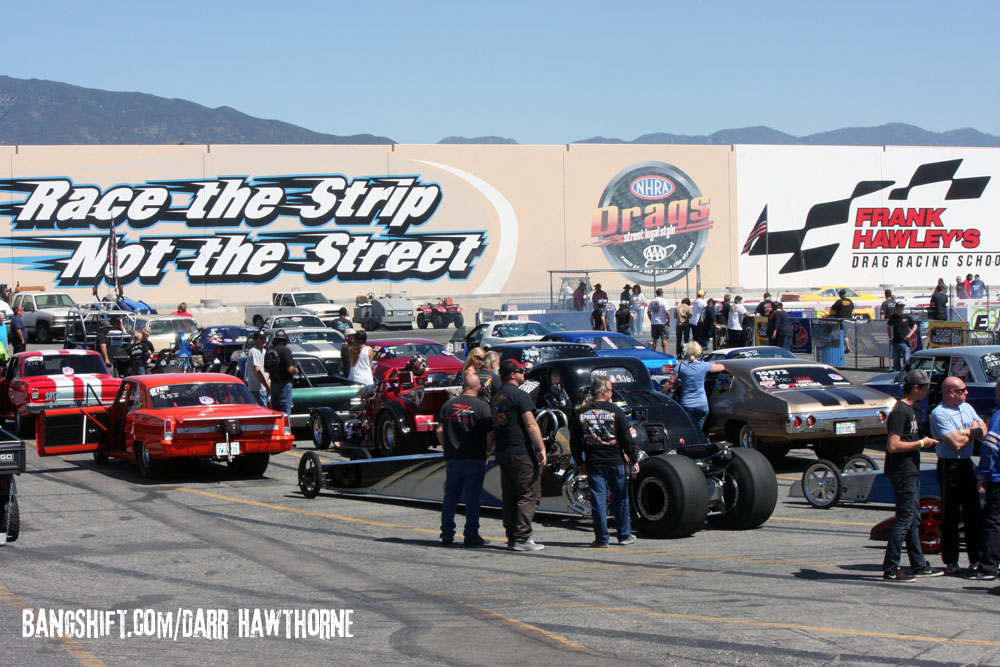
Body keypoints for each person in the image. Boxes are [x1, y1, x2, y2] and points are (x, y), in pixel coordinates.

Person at [882, 369, 943, 582]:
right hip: (902, 471)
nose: (927, 391)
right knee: (904, 519)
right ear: (916, 388)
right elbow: (893, 445)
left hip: (911, 470)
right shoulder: (901, 411)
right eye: (925, 387)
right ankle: (891, 568)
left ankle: (918, 564)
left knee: (914, 519)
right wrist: (921, 443)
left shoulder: (911, 409)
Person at [570, 377, 639, 547]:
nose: (612, 393)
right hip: (615, 461)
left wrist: (580, 461)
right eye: (610, 390)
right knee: (621, 499)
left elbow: (575, 441)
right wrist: (634, 459)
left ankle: (602, 538)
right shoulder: (616, 411)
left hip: (594, 462)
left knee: (598, 501)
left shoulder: (581, 412)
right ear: (604, 392)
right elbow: (626, 438)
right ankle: (624, 535)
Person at [930, 376, 987, 576]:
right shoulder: (939, 413)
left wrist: (964, 433)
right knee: (950, 513)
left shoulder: (967, 407)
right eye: (962, 390)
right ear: (951, 393)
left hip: (966, 462)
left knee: (973, 512)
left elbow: (983, 429)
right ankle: (951, 560)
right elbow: (954, 443)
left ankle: (976, 557)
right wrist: (971, 432)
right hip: (949, 464)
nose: (966, 393)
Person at [492, 360, 547, 551]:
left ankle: (512, 536)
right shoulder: (519, 395)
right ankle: (522, 538)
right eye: (521, 371)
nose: (524, 374)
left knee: (510, 495)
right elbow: (531, 424)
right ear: (513, 375)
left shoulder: (497, 395)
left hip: (502, 449)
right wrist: (541, 448)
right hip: (519, 450)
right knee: (529, 493)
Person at [437, 373, 494, 547]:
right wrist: (487, 452)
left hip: (453, 458)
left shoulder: (448, 405)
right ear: (479, 387)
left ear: (463, 387)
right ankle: (471, 535)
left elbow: (439, 430)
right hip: (475, 458)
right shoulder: (483, 407)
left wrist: (446, 448)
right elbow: (490, 434)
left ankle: (447, 533)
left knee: (450, 497)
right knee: (472, 499)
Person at [976, 379, 1000, 581]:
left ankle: (989, 567)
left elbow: (990, 447)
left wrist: (983, 473)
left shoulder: (998, 417)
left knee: (993, 521)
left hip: (998, 478)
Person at [674, 341, 725, 431]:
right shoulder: (704, 365)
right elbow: (722, 367)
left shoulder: (681, 366)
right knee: (699, 429)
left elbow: (670, 382)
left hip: (687, 404)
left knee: (688, 430)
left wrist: (662, 393)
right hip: (701, 404)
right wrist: (714, 363)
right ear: (699, 352)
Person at [268, 329, 298, 416]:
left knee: (276, 413)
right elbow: (290, 369)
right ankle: (285, 426)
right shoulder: (285, 350)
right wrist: (296, 370)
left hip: (274, 384)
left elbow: (266, 369)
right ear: (285, 340)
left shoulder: (269, 351)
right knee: (284, 413)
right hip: (284, 384)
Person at [887, 303, 918, 372]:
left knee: (906, 359)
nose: (901, 309)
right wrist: (890, 337)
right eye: (900, 307)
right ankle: (897, 372)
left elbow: (915, 326)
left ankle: (908, 372)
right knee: (896, 359)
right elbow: (888, 326)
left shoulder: (906, 317)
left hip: (904, 341)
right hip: (895, 341)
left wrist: (909, 335)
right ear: (896, 308)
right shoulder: (893, 317)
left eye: (902, 307)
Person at [246, 330, 270, 407]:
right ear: (255, 340)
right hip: (257, 389)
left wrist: (269, 381)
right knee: (262, 410)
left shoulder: (264, 351)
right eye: (261, 339)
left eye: (264, 338)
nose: (263, 340)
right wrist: (265, 385)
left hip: (265, 388)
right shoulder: (254, 351)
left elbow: (267, 369)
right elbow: (257, 370)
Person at [829, 289, 855, 354]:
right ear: (845, 294)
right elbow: (852, 307)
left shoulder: (839, 302)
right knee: (847, 334)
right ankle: (848, 347)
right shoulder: (849, 301)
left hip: (842, 319)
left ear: (840, 295)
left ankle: (847, 348)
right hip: (850, 320)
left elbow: (833, 307)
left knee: (844, 334)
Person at [646, 288, 671, 354]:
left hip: (654, 322)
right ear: (662, 293)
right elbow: (667, 312)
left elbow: (648, 312)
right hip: (662, 322)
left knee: (654, 339)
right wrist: (669, 321)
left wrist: (651, 319)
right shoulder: (663, 301)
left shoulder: (652, 301)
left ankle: (653, 353)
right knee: (664, 339)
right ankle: (665, 353)